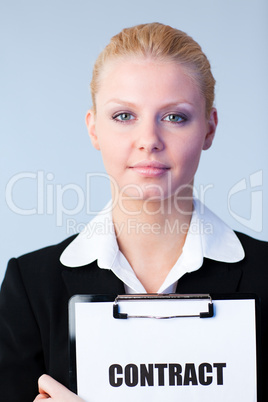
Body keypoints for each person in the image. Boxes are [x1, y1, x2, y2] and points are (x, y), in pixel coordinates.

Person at [0, 22, 267, 402]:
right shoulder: (30, 287)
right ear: (94, 129)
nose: (148, 141)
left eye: (175, 117)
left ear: (209, 129)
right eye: (124, 116)